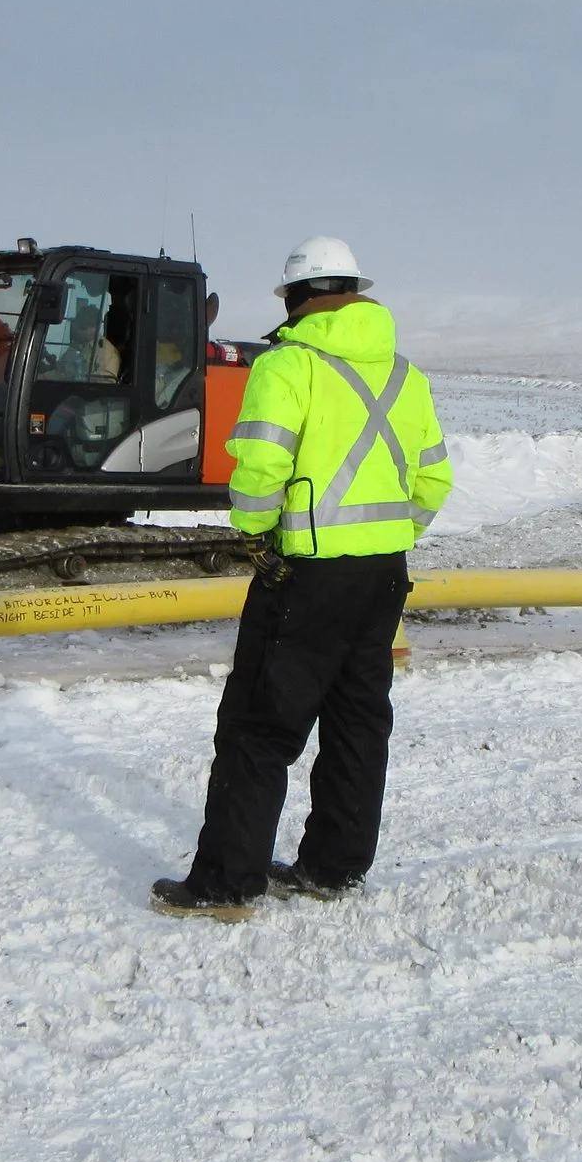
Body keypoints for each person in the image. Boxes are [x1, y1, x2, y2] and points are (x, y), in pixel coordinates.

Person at [152, 236, 453, 921]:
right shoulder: (406, 375)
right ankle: (334, 866)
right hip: (383, 576)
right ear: (354, 290)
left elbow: (259, 467)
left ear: (295, 298)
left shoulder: (287, 365)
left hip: (306, 572)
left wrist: (257, 534)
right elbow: (435, 479)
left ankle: (227, 883)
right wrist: (388, 537)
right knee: (357, 718)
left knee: (259, 726)